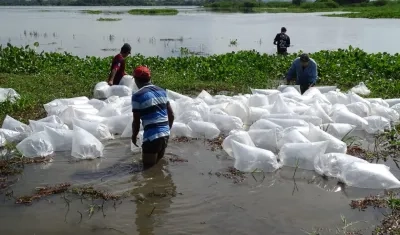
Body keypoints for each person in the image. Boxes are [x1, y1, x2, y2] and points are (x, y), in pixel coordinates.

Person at [131, 66, 175, 169]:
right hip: (165, 135)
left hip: (151, 137)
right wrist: (166, 131)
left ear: (136, 80)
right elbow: (172, 115)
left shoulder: (137, 96)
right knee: (157, 167)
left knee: (147, 171)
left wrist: (134, 136)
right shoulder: (162, 91)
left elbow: (136, 122)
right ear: (149, 78)